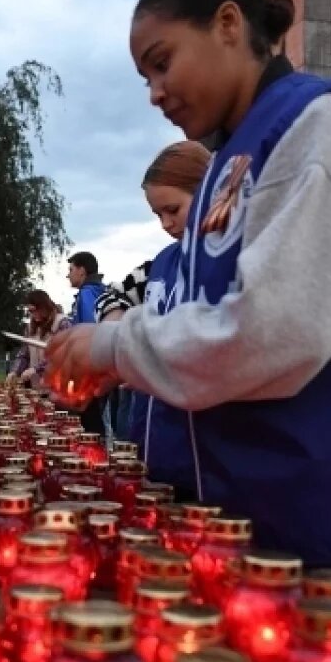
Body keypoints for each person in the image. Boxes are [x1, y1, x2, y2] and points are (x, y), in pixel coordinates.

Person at [45, 0, 331, 662]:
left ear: (231, 24)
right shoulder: (231, 159)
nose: (154, 93)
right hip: (265, 522)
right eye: (144, 75)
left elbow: (273, 329)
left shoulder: (324, 125)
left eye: (162, 61)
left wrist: (112, 344)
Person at [95, 141, 213, 446]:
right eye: (157, 214)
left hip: (204, 448)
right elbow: (112, 296)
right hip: (154, 445)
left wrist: (146, 358)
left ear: (209, 191)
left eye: (172, 210)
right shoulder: (162, 263)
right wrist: (118, 329)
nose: (165, 224)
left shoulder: (230, 260)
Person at [66, 252, 107, 435]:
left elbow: (90, 330)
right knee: (96, 418)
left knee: (89, 421)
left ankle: (93, 458)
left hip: (88, 369)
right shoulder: (100, 290)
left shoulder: (87, 293)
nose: (68, 274)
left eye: (71, 269)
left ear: (82, 271)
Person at [8, 290, 72, 388]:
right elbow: (24, 354)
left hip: (56, 387)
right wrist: (14, 371)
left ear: (44, 307)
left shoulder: (62, 323)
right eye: (30, 311)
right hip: (36, 386)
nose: (33, 314)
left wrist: (36, 369)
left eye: (35, 310)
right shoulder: (30, 328)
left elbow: (61, 355)